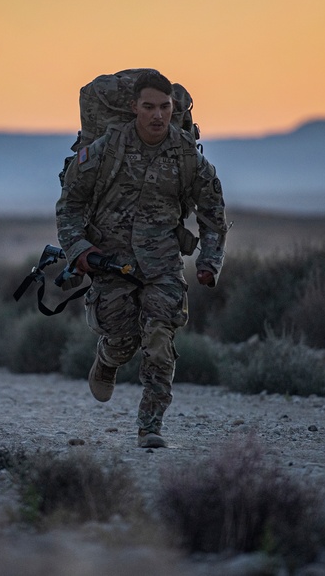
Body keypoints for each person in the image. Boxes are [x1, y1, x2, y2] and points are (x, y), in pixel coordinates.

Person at [56, 69, 228, 448]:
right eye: (149, 107)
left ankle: (150, 427)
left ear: (173, 108)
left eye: (165, 107)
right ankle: (108, 358)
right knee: (123, 339)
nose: (157, 115)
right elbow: (70, 205)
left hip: (162, 263)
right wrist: (80, 250)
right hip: (111, 261)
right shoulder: (108, 148)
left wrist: (208, 262)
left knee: (159, 339)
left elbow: (214, 212)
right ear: (134, 107)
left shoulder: (186, 155)